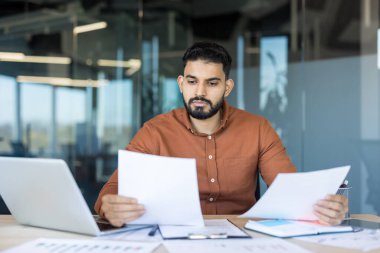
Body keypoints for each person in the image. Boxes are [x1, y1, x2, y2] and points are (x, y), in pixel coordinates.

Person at [94, 42, 348, 227]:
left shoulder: (257, 128)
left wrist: (323, 209)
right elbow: (111, 191)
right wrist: (109, 207)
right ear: (181, 84)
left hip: (243, 238)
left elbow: (292, 190)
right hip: (175, 237)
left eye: (212, 83)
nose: (200, 92)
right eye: (192, 82)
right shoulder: (154, 132)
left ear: (227, 87)